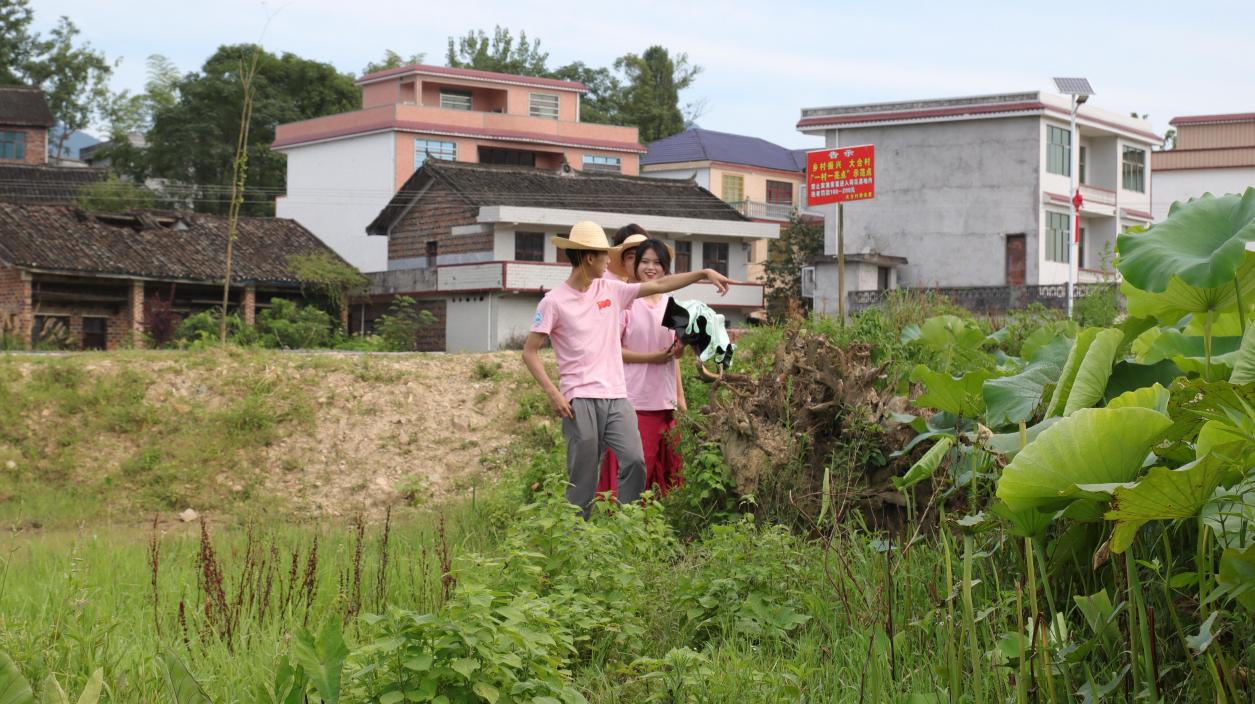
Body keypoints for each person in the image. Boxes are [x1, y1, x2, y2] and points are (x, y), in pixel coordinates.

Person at [521, 221, 732, 517]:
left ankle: (626, 523)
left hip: (618, 397)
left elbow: (659, 285)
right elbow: (529, 352)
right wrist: (553, 394)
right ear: (589, 258)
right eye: (605, 255)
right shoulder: (553, 302)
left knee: (634, 461)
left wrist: (703, 273)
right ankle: (575, 534)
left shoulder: (612, 289)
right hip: (579, 398)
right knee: (583, 477)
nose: (611, 261)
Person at [620, 238, 686, 497]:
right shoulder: (626, 302)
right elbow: (612, 350)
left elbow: (676, 355)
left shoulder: (674, 305)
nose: (651, 268)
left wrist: (680, 398)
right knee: (640, 469)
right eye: (645, 262)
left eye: (657, 263)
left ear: (666, 268)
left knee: (671, 472)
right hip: (636, 399)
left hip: (666, 400)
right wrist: (650, 358)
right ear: (635, 266)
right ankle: (628, 524)